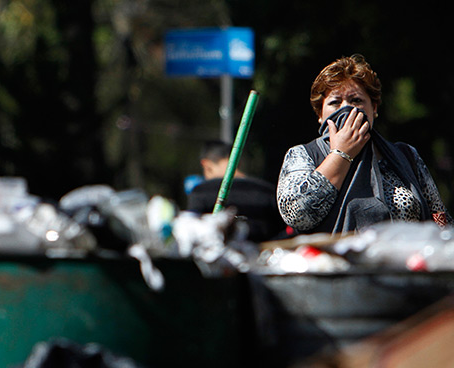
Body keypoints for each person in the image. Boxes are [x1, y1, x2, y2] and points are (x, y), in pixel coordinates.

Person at [277, 54, 451, 235]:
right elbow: (298, 214)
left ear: (374, 108)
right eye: (335, 102)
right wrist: (341, 154)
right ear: (320, 114)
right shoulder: (303, 155)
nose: (347, 109)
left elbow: (439, 218)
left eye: (356, 101)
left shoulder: (405, 156)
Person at [187, 140, 286, 242]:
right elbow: (281, 234)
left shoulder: (201, 192)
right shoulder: (268, 192)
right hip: (262, 255)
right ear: (238, 161)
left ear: (206, 165)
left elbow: (192, 233)